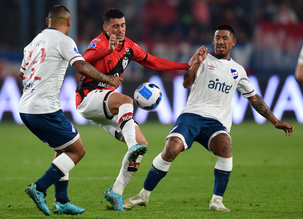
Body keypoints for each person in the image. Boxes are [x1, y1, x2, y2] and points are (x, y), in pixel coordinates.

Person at [123, 25, 294, 212]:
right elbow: (186, 83)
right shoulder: (202, 59)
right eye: (217, 38)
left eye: (224, 38)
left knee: (226, 146)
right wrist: (196, 62)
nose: (220, 41)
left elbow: (254, 98)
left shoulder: (238, 70)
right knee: (171, 149)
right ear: (213, 40)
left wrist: (275, 121)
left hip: (216, 123)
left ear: (233, 42)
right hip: (191, 116)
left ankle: (217, 201)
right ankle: (143, 195)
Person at [75, 8, 198, 211]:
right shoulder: (100, 42)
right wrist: (107, 50)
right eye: (115, 26)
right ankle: (131, 145)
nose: (120, 30)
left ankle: (116, 191)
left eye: (123, 25)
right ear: (105, 28)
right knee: (126, 101)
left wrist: (186, 65)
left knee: (143, 143)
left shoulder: (129, 46)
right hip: (88, 98)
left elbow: (154, 62)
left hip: (105, 105)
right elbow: (83, 60)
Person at [19, 5, 122, 216]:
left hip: (25, 107)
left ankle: (62, 201)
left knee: (62, 149)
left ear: (47, 21)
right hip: (44, 108)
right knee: (77, 150)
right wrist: (108, 78)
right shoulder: (64, 41)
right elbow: (81, 66)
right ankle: (39, 188)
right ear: (68, 22)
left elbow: (23, 74)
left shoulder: (31, 44)